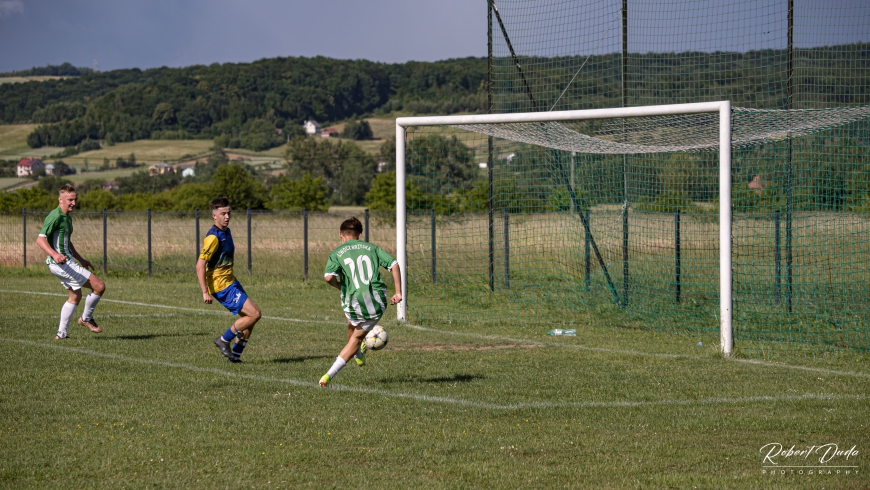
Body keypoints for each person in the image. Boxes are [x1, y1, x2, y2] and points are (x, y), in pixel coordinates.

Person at [319, 216, 402, 387]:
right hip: (376, 300)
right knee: (355, 334)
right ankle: (341, 366)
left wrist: (339, 286)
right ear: (359, 234)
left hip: (352, 301)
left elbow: (328, 278)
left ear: (340, 234)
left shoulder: (336, 253)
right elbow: (394, 264)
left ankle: (346, 362)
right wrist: (398, 292)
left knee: (354, 330)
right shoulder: (372, 248)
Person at [35, 184, 107, 339]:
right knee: (99, 286)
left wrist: (81, 259)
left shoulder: (67, 217)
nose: (73, 203)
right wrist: (54, 254)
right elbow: (40, 239)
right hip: (62, 264)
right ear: (60, 200)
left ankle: (61, 334)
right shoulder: (55, 216)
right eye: (70, 200)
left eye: (75, 199)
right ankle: (86, 319)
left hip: (63, 263)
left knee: (75, 296)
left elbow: (66, 242)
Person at [196, 197, 262, 363]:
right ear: (214, 216)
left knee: (249, 320)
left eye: (228, 213)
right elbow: (199, 265)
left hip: (231, 282)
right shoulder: (213, 238)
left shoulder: (227, 231)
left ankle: (235, 358)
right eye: (223, 213)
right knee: (255, 314)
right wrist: (205, 292)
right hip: (221, 286)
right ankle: (223, 340)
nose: (227, 217)